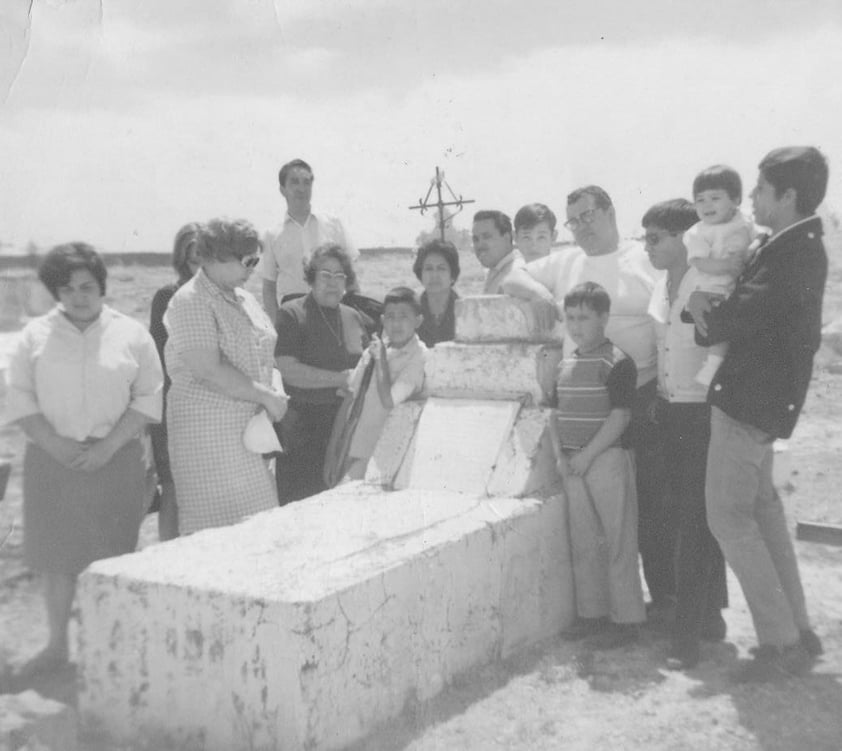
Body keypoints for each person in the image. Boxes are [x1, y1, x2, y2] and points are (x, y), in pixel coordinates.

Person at [688, 146, 827, 682]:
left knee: (727, 515)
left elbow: (743, 318)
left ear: (787, 196)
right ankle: (797, 627)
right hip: (765, 403)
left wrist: (701, 312)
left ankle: (779, 642)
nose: (752, 198)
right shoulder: (798, 244)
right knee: (763, 514)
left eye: (762, 190)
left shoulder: (793, 252)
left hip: (748, 404)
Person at [503, 185, 674, 616]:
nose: (580, 227)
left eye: (588, 216)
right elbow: (513, 275)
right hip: (581, 405)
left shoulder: (642, 258)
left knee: (650, 507)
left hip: (640, 397)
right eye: (573, 220)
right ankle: (603, 612)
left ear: (611, 212)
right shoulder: (567, 260)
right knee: (592, 524)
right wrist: (542, 295)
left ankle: (662, 606)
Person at [5, 243, 163, 681]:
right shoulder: (33, 336)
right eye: (67, 288)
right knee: (55, 560)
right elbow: (18, 399)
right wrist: (54, 444)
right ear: (56, 291)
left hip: (114, 461)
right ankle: (57, 648)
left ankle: (108, 653)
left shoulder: (130, 334)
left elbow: (149, 395)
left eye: (87, 286)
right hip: (52, 463)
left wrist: (108, 446)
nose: (78, 296)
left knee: (110, 559)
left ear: (101, 286)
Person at [643, 199, 728, 670]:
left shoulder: (704, 282)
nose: (649, 246)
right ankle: (710, 617)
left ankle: (685, 640)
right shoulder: (663, 286)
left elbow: (719, 344)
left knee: (693, 523)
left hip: (702, 413)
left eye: (656, 237)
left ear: (683, 237)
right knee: (685, 515)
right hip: (670, 410)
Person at [164, 219, 288, 536]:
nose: (253, 269)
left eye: (256, 261)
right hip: (208, 441)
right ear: (217, 256)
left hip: (250, 437)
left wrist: (276, 392)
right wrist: (264, 396)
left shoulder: (243, 298)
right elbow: (208, 370)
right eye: (248, 261)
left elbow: (265, 354)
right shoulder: (189, 301)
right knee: (217, 538)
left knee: (260, 530)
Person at [548, 282, 645, 649]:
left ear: (604, 318)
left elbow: (620, 417)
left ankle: (627, 619)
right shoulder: (566, 364)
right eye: (570, 318)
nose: (576, 326)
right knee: (585, 541)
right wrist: (561, 456)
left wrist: (588, 456)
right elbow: (554, 414)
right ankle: (592, 614)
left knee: (618, 539)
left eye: (584, 318)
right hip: (572, 464)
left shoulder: (617, 362)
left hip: (606, 459)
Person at [274, 242, 370, 503]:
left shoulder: (354, 317)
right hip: (304, 433)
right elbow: (287, 370)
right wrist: (341, 379)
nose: (333, 283)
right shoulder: (291, 314)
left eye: (340, 276)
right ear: (311, 277)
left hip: (345, 430)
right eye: (325, 275)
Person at [148, 222, 201, 540]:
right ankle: (166, 552)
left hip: (205, 406)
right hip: (173, 405)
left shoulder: (220, 295)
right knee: (173, 488)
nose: (199, 266)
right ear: (182, 259)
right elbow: (162, 359)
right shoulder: (167, 296)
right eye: (193, 259)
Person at [341, 287, 427, 480]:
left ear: (418, 321)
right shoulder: (375, 350)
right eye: (390, 317)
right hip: (356, 447)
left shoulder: (419, 358)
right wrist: (338, 445)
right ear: (382, 321)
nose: (396, 323)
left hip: (388, 454)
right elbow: (351, 395)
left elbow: (389, 400)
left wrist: (381, 360)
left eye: (404, 317)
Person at [258, 158, 358, 323]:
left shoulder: (333, 224)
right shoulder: (271, 234)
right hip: (293, 315)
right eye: (294, 182)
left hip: (333, 309)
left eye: (306, 182)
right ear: (282, 189)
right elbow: (268, 288)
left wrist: (354, 318)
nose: (301, 188)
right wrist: (278, 325)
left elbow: (351, 275)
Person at [683, 165, 756, 386]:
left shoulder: (744, 222)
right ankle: (713, 364)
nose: (707, 205)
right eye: (700, 200)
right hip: (712, 286)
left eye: (715, 198)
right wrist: (725, 265)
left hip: (738, 284)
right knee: (719, 331)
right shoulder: (698, 231)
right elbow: (699, 262)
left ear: (736, 200)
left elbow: (758, 241)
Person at [413, 239, 460, 347]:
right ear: (421, 274)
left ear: (452, 275)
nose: (434, 275)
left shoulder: (465, 312)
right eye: (429, 269)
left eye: (441, 268)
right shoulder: (411, 311)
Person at [472, 210, 525, 294]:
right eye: (476, 239)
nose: (479, 245)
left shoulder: (516, 273)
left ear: (506, 238)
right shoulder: (497, 272)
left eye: (486, 237)